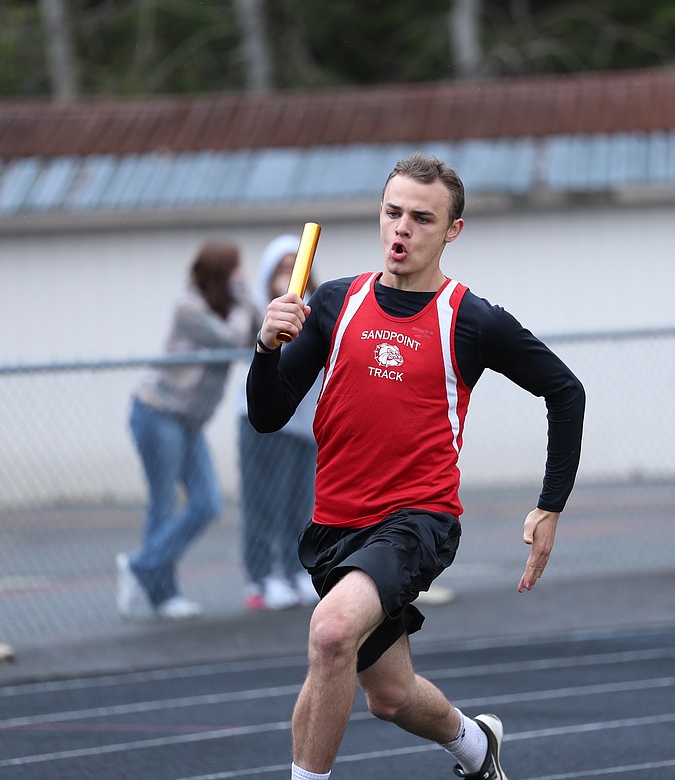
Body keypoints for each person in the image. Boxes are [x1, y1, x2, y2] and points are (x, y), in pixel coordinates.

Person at [247, 152, 586, 779]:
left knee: (329, 634)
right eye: (392, 212)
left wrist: (550, 505)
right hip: (335, 527)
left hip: (416, 520)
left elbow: (566, 391)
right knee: (390, 696)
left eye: (422, 219)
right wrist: (265, 351)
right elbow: (266, 416)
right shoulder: (332, 304)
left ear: (452, 230)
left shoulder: (471, 318)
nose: (402, 229)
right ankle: (478, 749)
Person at [118, 241, 255, 620]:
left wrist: (250, 302)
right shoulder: (189, 305)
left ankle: (142, 569)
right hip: (157, 412)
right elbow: (232, 338)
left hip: (189, 422)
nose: (240, 277)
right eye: (235, 270)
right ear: (220, 272)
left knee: (208, 502)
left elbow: (256, 331)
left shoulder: (228, 307)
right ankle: (161, 593)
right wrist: (243, 299)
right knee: (163, 502)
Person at [237, 234, 321, 611]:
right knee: (264, 503)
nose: (288, 275)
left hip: (304, 425)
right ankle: (261, 577)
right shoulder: (258, 312)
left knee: (299, 504)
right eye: (281, 268)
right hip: (265, 427)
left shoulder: (317, 311)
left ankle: (293, 571)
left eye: (294, 267)